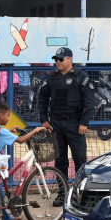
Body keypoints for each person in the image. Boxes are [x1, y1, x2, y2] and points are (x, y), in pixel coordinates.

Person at [36, 47, 97, 207]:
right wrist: (44, 119)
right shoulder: (52, 77)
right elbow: (41, 98)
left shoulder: (80, 76)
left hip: (75, 125)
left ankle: (81, 194)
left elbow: (89, 101)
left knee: (80, 160)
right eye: (56, 59)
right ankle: (63, 193)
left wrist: (84, 122)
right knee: (60, 160)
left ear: (70, 59)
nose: (57, 62)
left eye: (60, 59)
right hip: (55, 124)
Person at [0, 100, 41, 220]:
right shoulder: (3, 131)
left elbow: (0, 137)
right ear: (1, 116)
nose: (8, 118)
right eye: (7, 115)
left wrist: (10, 130)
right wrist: (35, 130)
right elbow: (21, 140)